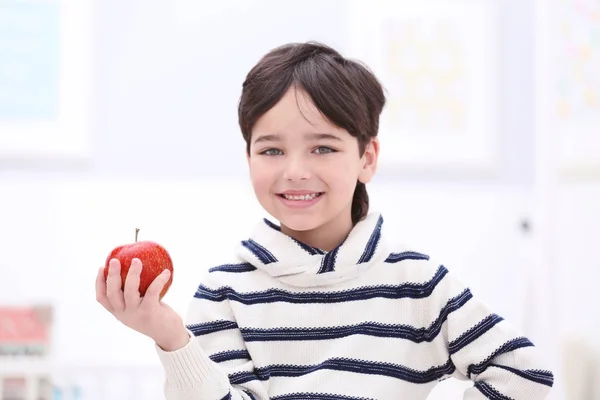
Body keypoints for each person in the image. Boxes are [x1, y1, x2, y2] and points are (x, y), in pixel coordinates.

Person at [95, 41, 554, 399]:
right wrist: (172, 339)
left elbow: (525, 373)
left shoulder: (419, 284)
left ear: (366, 157)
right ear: (249, 157)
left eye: (323, 147)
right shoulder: (225, 292)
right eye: (271, 149)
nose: (294, 170)